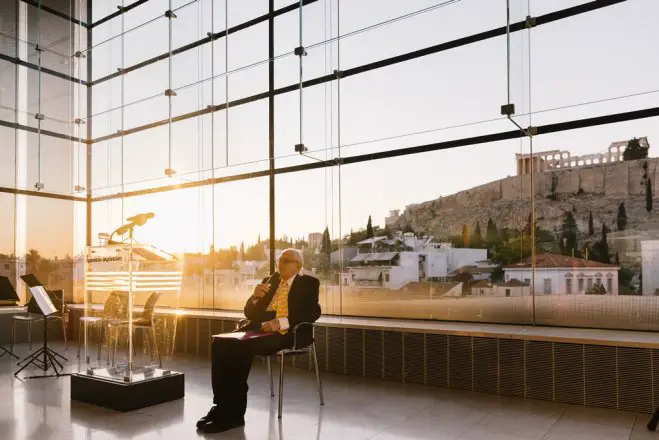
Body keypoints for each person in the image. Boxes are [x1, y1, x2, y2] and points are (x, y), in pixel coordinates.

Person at [197, 248, 321, 433]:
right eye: (280, 260)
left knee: (239, 348)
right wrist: (255, 297)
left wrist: (280, 322)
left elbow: (312, 312)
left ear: (298, 266)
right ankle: (222, 406)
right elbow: (249, 313)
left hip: (286, 334)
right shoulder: (269, 282)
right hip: (257, 329)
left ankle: (233, 415)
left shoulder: (309, 283)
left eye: (286, 260)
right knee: (220, 343)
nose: (280, 263)